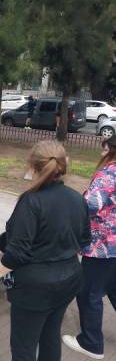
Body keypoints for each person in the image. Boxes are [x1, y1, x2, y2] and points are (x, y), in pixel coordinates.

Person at [0, 140, 91, 361]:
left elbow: (16, 254)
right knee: (50, 335)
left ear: (32, 166)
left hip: (35, 289)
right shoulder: (77, 198)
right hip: (69, 281)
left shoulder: (31, 201)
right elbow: (84, 239)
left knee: (23, 347)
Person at [62, 136, 116, 360]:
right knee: (113, 288)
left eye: (106, 146)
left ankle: (91, 343)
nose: (102, 149)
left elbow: (91, 204)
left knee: (88, 293)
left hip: (101, 246)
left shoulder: (109, 173)